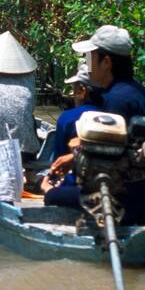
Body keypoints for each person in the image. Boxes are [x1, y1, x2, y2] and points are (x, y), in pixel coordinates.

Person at [42, 25, 145, 226]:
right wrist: (72, 158)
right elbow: (121, 148)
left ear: (106, 62)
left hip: (133, 206)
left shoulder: (116, 100)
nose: (87, 66)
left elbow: (108, 161)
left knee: (52, 195)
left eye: (89, 59)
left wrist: (52, 189)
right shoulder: (135, 90)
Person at [39, 59, 103, 195]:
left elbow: (59, 161)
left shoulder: (67, 118)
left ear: (82, 91)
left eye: (74, 89)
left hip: (78, 188)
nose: (73, 94)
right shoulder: (114, 114)